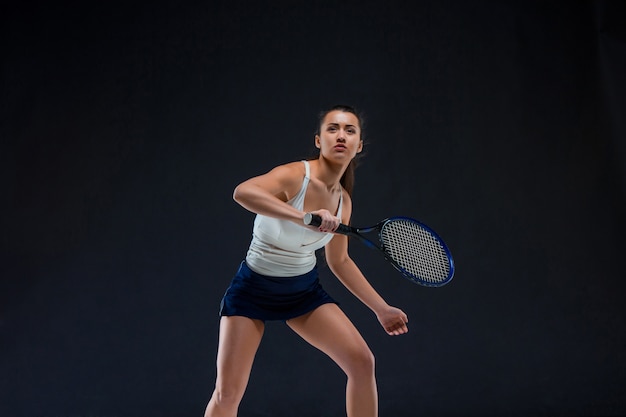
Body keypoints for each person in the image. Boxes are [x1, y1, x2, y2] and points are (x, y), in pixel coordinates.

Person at [204, 104, 409, 417]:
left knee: (362, 363)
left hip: (303, 292)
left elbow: (339, 262)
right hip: (252, 290)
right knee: (227, 393)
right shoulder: (294, 175)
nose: (341, 135)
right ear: (318, 140)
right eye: (333, 128)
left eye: (349, 130)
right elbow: (242, 192)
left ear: (358, 146)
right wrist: (305, 217)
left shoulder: (344, 202)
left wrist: (381, 309)